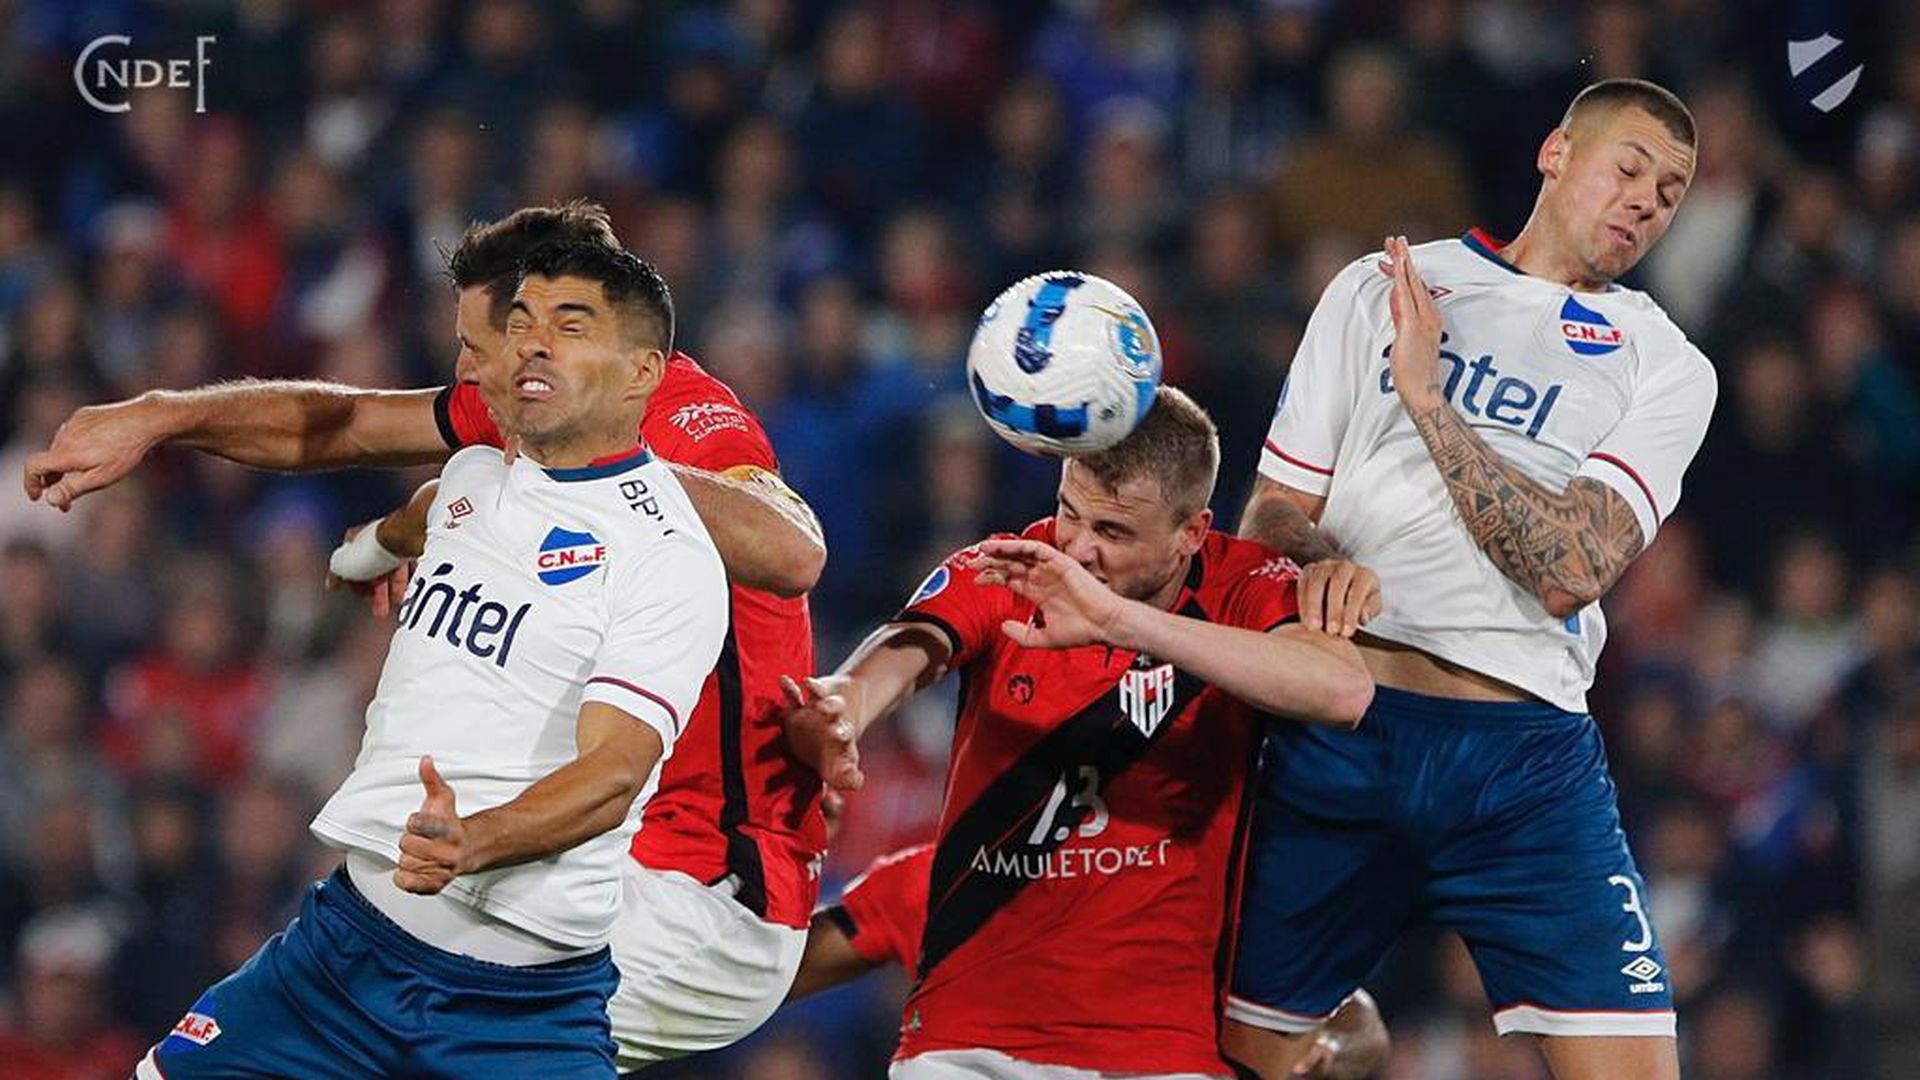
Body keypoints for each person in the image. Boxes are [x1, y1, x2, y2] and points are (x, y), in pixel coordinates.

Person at [23, 203, 826, 1069]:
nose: (466, 370)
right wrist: (159, 418)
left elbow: (790, 548)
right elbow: (347, 426)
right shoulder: (507, 433)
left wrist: (597, 467)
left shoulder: (680, 419)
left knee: (469, 951)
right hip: (549, 870)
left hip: (699, 889)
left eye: (483, 347)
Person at [139, 241, 729, 1079]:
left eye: (570, 326)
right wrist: (367, 555)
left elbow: (612, 776)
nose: (532, 343)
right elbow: (419, 512)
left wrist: (475, 841)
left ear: (643, 373)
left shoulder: (666, 556)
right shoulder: (473, 477)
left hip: (519, 1017)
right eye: (520, 322)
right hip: (338, 963)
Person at [1224, 79, 1713, 1080]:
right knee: (1232, 1060)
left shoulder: (1666, 363)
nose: (1645, 202)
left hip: (1523, 761)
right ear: (1555, 153)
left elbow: (1573, 570)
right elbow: (1273, 513)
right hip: (1343, 730)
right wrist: (1319, 565)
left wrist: (1430, 401)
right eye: (1629, 169)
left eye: (1669, 194)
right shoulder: (1383, 285)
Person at [784, 386, 1374, 1079]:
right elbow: (908, 649)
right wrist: (843, 708)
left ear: (1191, 531)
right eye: (1071, 513)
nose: (1080, 550)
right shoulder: (1014, 566)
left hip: (1160, 1052)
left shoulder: (1240, 588)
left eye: (1114, 533)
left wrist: (1115, 622)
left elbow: (1341, 688)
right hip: (968, 1044)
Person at [786, 843, 1390, 1080]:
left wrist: (1329, 1057)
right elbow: (777, 972)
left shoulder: (1194, 881)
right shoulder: (952, 881)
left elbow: (1356, 1026)